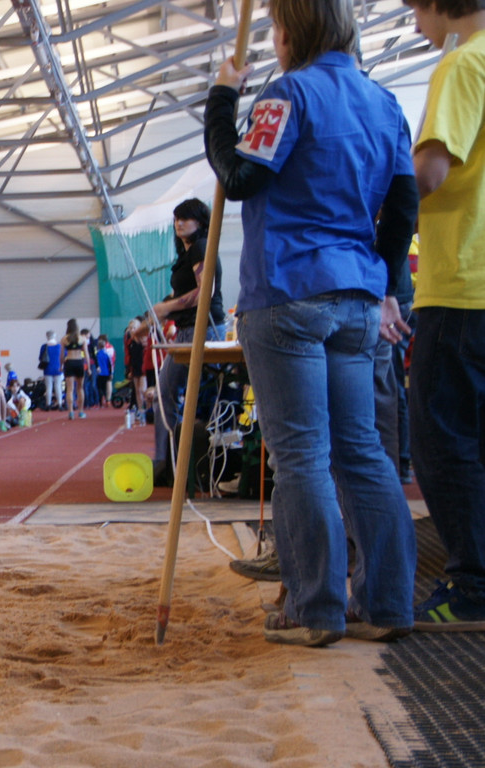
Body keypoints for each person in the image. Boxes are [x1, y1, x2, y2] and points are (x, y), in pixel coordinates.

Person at [204, 0, 418, 646]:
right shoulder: (383, 103)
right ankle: (384, 603)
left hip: (288, 289)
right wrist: (383, 286)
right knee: (362, 452)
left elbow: (238, 176)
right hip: (356, 295)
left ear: (289, 32)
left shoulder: (287, 93)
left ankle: (314, 607)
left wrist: (220, 100)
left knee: (301, 455)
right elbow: (403, 207)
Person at [403, 0, 485, 630]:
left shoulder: (461, 65)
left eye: (415, 10)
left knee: (440, 441)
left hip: (460, 281)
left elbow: (428, 173)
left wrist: (367, 198)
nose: (413, 25)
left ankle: (472, 587)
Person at [150, 199, 225, 486]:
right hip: (189, 330)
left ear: (201, 221)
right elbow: (182, 294)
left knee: (166, 394)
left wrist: (167, 309)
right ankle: (174, 462)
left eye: (186, 218)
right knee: (170, 394)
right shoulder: (188, 253)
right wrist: (149, 319)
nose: (179, 223)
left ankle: (170, 463)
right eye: (177, 218)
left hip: (203, 329)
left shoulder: (201, 247)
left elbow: (206, 289)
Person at [61, 318, 88, 420]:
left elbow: (62, 355)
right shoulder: (82, 338)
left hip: (69, 362)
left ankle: (71, 412)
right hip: (79, 362)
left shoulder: (64, 339)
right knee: (80, 388)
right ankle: (81, 411)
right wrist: (88, 367)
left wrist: (61, 365)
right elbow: (86, 354)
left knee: (70, 389)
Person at [38, 330, 63, 409]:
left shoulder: (44, 346)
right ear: (54, 336)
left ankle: (48, 404)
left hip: (47, 369)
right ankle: (60, 404)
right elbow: (63, 356)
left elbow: (40, 358)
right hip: (58, 368)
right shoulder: (59, 346)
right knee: (58, 387)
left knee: (49, 387)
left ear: (47, 336)